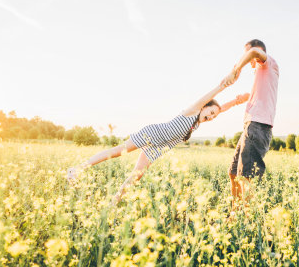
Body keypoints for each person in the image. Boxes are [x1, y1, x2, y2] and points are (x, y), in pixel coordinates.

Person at [66, 81, 249, 205]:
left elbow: (220, 109)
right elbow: (212, 94)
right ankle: (77, 169)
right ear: (204, 106)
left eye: (213, 117)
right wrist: (226, 83)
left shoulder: (198, 122)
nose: (210, 116)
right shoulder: (193, 110)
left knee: (137, 174)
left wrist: (236, 102)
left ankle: (114, 202)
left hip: (159, 147)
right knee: (117, 151)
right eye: (210, 112)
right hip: (152, 134)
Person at [222, 39, 279, 211]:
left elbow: (253, 53)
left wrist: (236, 69)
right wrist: (243, 98)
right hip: (250, 127)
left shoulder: (268, 63)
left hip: (258, 126)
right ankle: (235, 214)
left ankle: (249, 220)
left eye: (247, 54)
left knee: (245, 177)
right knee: (233, 173)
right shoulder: (261, 75)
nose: (248, 60)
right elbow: (259, 94)